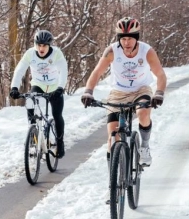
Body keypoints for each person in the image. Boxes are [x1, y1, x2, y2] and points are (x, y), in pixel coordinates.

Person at [81, 17, 167, 202]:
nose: (126, 42)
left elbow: (160, 74)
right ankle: (112, 184)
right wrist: (88, 91)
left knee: (143, 113)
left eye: (130, 38)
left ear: (136, 38)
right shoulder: (112, 51)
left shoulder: (147, 51)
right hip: (118, 93)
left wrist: (158, 93)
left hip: (141, 90)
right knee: (112, 137)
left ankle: (144, 146)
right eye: (123, 38)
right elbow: (96, 72)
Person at [9, 30, 68, 158]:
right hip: (38, 85)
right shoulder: (30, 54)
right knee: (30, 101)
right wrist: (14, 87)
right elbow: (19, 70)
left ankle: (60, 142)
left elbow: (63, 71)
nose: (41, 48)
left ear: (49, 46)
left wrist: (60, 88)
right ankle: (33, 134)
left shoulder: (57, 54)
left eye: (44, 46)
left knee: (57, 114)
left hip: (54, 86)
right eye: (39, 45)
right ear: (35, 45)